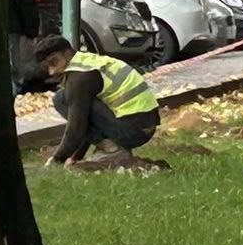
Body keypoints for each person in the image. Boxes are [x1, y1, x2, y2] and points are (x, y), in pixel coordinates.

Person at [35, 35, 161, 168]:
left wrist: (57, 160)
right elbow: (87, 119)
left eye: (54, 62)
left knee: (61, 99)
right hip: (142, 126)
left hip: (134, 131)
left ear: (67, 53)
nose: (52, 71)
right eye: (46, 67)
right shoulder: (87, 62)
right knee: (66, 97)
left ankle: (113, 150)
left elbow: (77, 128)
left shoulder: (80, 77)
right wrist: (75, 157)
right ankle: (110, 148)